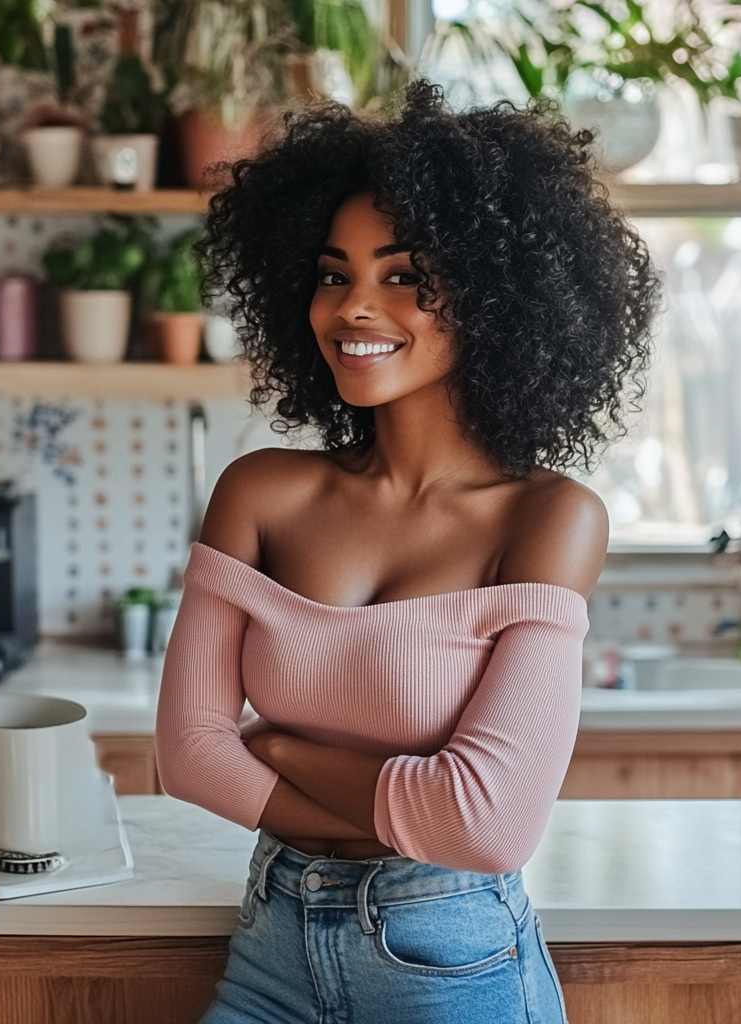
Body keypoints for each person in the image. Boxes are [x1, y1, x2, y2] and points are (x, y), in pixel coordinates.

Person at [156, 81, 659, 1024]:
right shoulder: (261, 491)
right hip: (271, 941)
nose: (354, 307)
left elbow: (491, 824)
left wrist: (279, 744)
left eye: (402, 275)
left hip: (451, 957)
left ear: (497, 293)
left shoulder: (549, 518)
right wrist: (411, 814)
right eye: (332, 273)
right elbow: (189, 758)